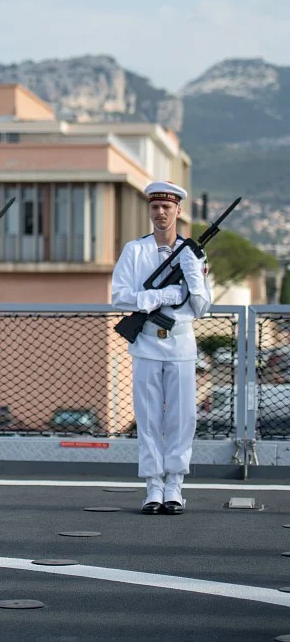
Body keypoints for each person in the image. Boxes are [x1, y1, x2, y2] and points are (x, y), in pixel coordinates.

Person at [111, 181, 210, 515]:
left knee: (182, 418)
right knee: (150, 417)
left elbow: (200, 308)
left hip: (180, 342)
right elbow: (119, 296)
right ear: (149, 210)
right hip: (148, 342)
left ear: (178, 211)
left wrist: (193, 275)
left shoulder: (193, 253)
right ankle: (153, 485)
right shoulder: (134, 250)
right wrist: (156, 297)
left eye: (167, 207)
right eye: (155, 207)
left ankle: (175, 486)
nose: (161, 213)